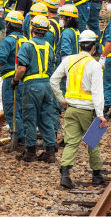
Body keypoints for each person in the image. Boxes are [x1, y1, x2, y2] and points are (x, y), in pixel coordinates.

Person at [50, 29, 108, 189]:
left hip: (71, 109)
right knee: (93, 142)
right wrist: (101, 115)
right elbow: (97, 92)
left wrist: (62, 99)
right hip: (88, 111)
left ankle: (65, 174)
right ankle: (96, 175)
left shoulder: (69, 60)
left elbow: (53, 80)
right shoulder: (94, 65)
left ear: (80, 44)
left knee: (71, 142)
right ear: (94, 47)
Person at [14, 15, 58, 162]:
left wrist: (15, 81)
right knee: (46, 117)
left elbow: (21, 69)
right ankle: (50, 151)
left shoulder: (27, 45)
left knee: (30, 118)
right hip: (46, 85)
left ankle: (31, 152)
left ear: (32, 28)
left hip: (32, 86)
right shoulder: (49, 46)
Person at [0, 10, 26, 148]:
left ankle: (17, 139)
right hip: (24, 79)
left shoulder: (7, 41)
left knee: (11, 109)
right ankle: (23, 137)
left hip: (10, 79)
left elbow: (0, 61)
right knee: (20, 109)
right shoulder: (26, 40)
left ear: (9, 24)